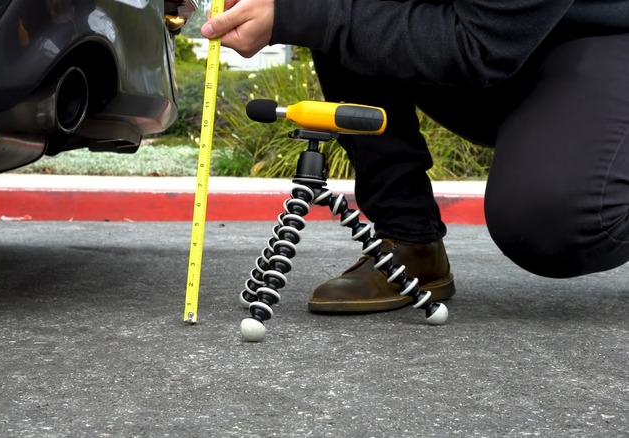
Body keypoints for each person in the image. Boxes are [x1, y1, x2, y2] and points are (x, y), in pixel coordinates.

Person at [201, 0, 629, 314]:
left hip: (601, 39)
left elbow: (480, 45)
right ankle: (409, 241)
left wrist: (302, 15)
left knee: (553, 221)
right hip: (493, 49)